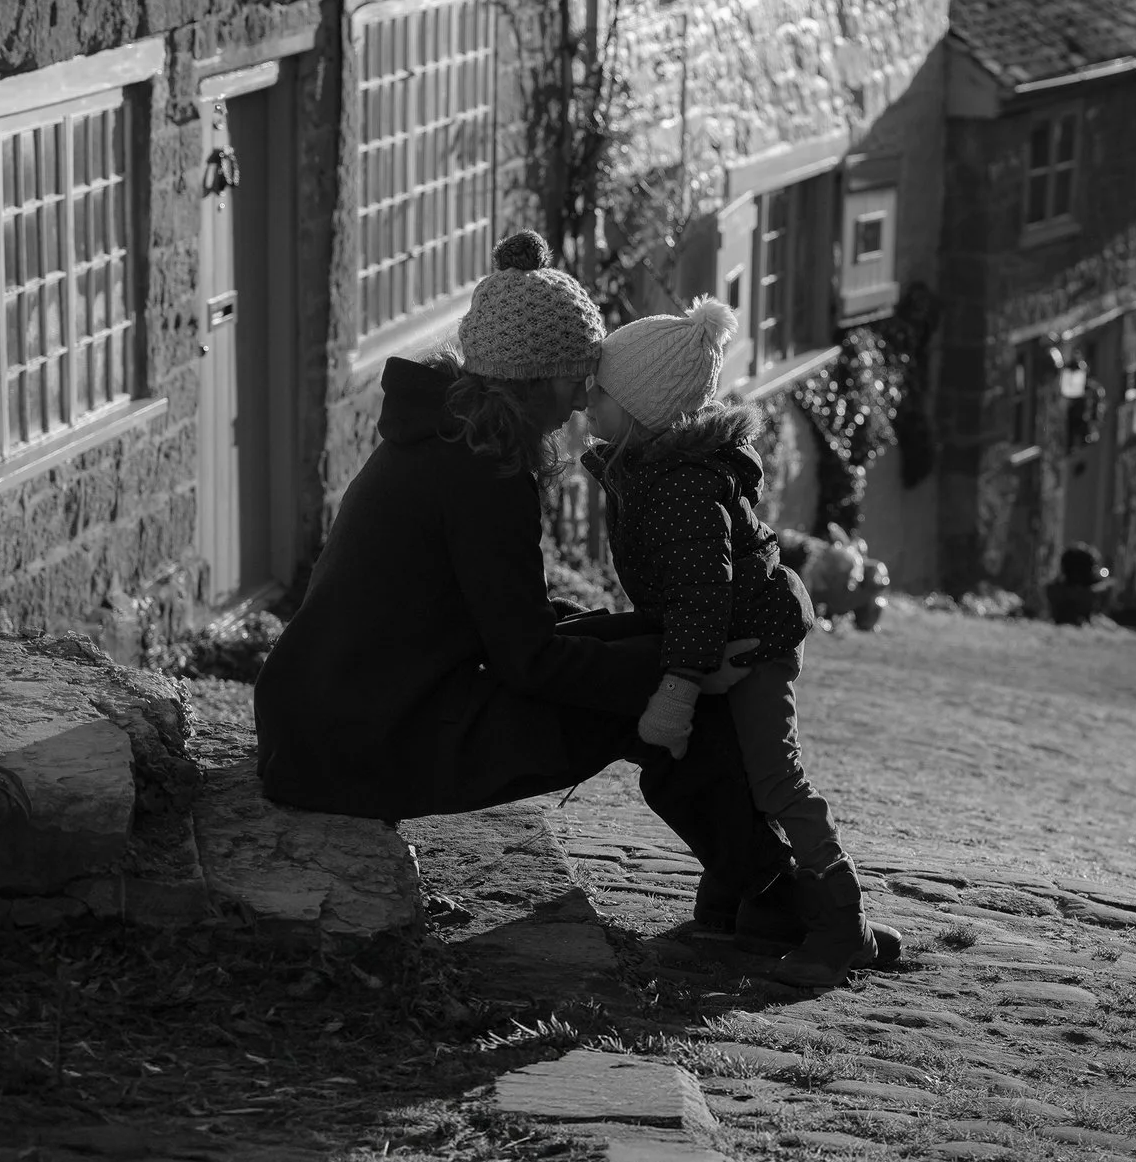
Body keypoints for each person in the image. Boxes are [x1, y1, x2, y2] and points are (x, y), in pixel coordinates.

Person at [254, 233, 784, 927]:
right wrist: (675, 671)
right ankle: (771, 896)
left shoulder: (447, 438)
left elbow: (505, 615)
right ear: (534, 380)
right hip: (364, 736)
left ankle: (750, 887)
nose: (577, 404)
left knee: (661, 661)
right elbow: (526, 656)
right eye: (574, 378)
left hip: (330, 711)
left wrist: (665, 647)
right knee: (662, 701)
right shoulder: (483, 472)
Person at [582, 299, 899, 989]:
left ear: (640, 406)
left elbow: (704, 596)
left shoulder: (684, 487)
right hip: (723, 642)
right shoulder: (642, 471)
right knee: (723, 762)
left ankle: (843, 922)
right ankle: (739, 898)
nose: (586, 403)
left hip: (751, 643)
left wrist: (679, 684)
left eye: (598, 392)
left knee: (775, 777)